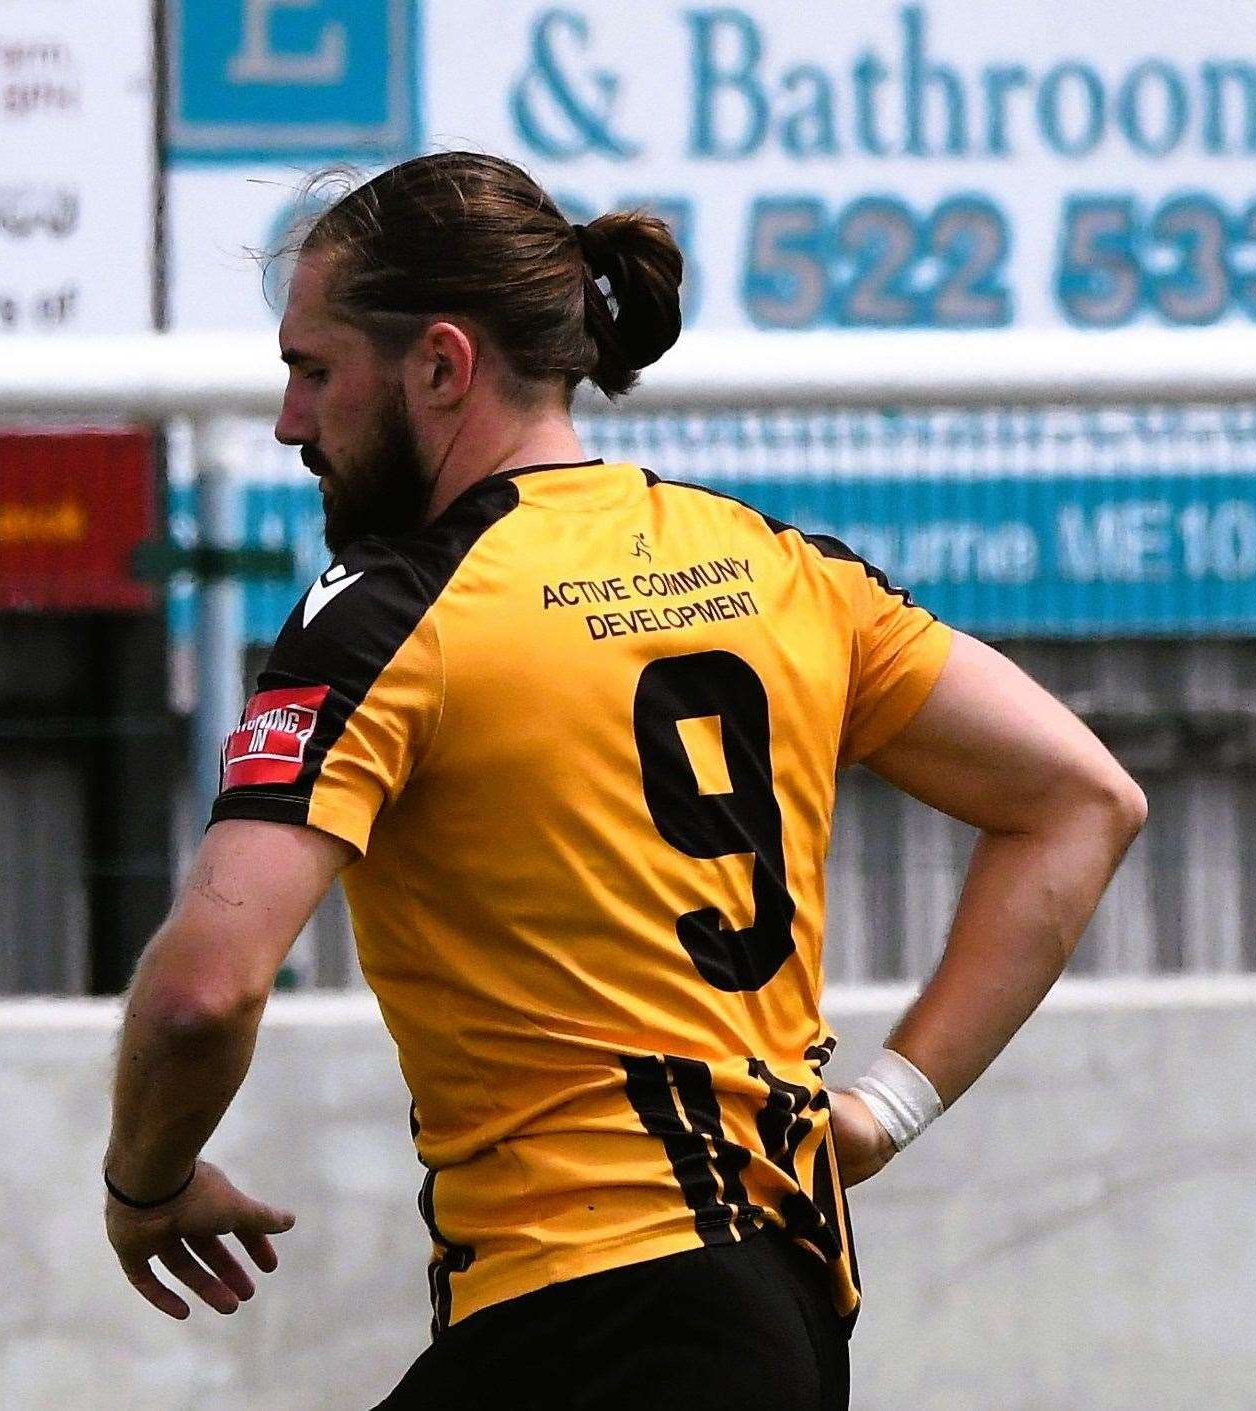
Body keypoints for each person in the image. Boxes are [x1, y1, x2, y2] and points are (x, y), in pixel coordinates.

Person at [102, 152, 1146, 1411]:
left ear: (440, 365)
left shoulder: (392, 609)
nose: (288, 422)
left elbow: (199, 996)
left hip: (596, 1313)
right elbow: (1083, 800)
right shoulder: (774, 566)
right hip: (781, 1311)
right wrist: (886, 1108)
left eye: (312, 370)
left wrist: (145, 1182)